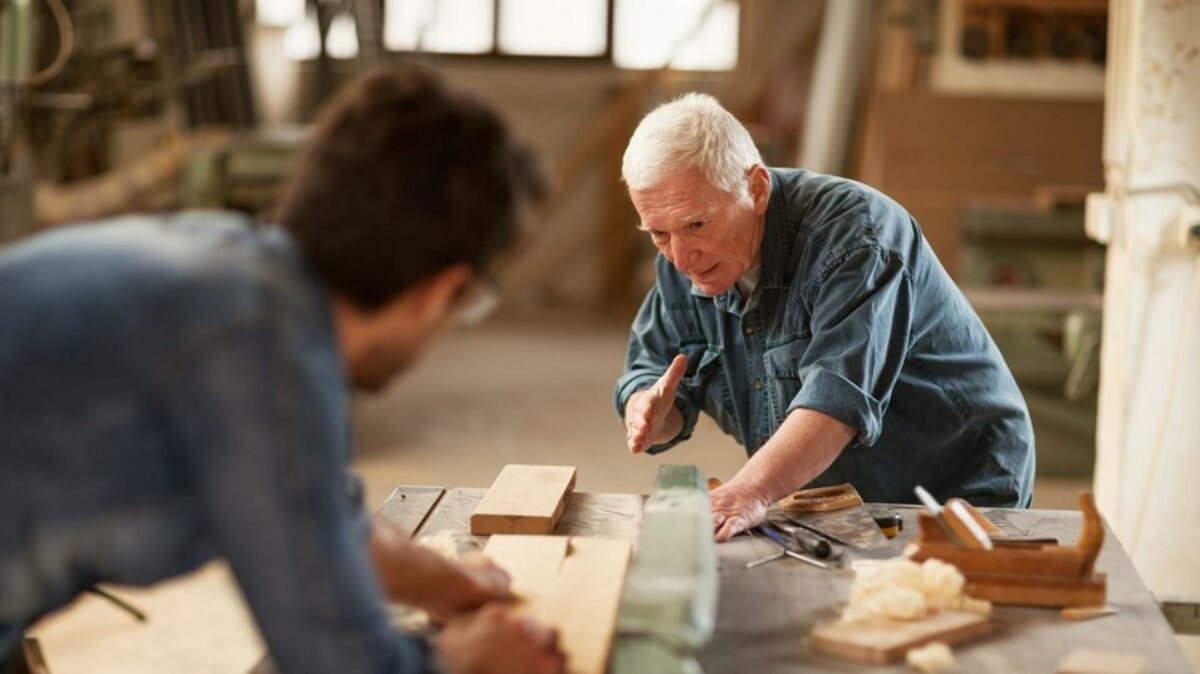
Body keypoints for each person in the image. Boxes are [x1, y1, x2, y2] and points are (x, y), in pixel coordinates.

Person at [0, 68, 563, 674]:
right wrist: (468, 660)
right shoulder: (261, 358)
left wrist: (459, 586)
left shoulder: (233, 265)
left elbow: (324, 521)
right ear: (440, 291)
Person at [615, 93, 1035, 542]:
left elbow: (837, 400)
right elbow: (655, 370)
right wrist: (650, 411)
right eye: (659, 234)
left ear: (755, 188)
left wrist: (749, 492)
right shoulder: (687, 259)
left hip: (957, 483)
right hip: (836, 495)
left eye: (696, 225)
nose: (680, 258)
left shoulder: (857, 238)